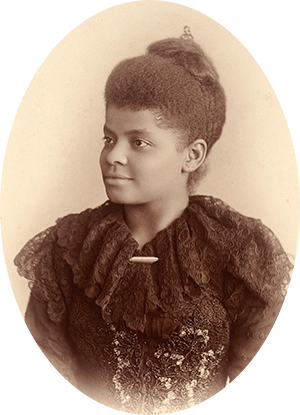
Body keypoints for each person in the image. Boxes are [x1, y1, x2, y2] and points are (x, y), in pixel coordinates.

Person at [14, 27, 292, 414]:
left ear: (191, 155)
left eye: (139, 142)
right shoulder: (67, 251)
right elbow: (41, 383)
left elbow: (264, 385)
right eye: (109, 138)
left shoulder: (241, 250)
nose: (113, 156)